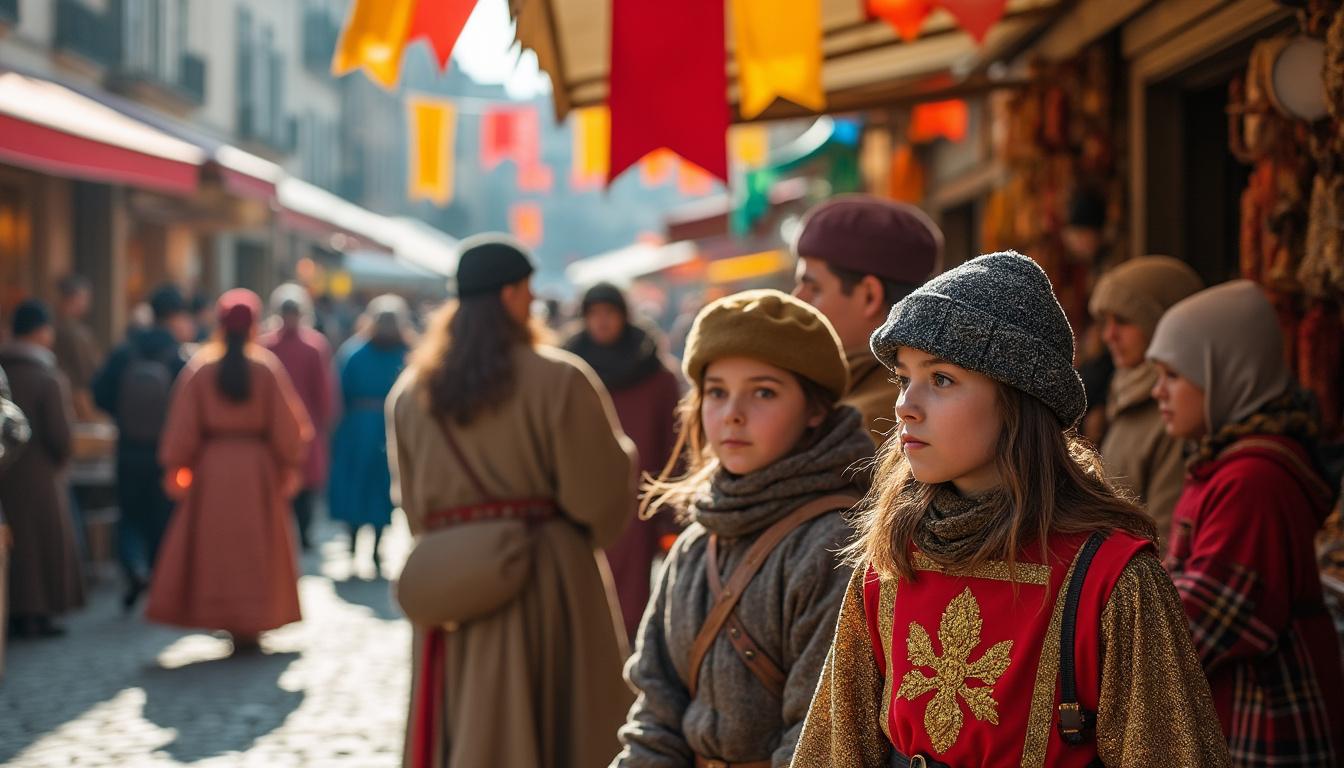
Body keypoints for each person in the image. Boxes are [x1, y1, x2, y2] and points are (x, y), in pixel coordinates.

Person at [792, 251, 1230, 767]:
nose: (905, 404)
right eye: (904, 378)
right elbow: (832, 752)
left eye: (942, 379)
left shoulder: (1114, 582)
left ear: (1017, 400)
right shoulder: (889, 563)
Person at [388, 234, 635, 768]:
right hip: (549, 581)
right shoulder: (560, 379)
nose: (533, 301)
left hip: (456, 587)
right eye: (527, 290)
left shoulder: (411, 394)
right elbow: (597, 496)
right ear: (510, 295)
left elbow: (414, 510)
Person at [612, 290, 873, 768]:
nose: (732, 413)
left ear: (815, 409)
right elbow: (656, 716)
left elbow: (817, 740)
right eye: (716, 391)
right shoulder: (696, 543)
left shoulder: (834, 544)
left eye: (764, 392)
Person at [1148, 280, 1344, 765]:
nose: (1158, 393)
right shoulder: (1229, 464)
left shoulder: (1252, 480)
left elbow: (1205, 621)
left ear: (1224, 373)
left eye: (1174, 375)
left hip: (1265, 722)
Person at [144, 289, 312, 652]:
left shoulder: (202, 368)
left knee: (216, 546)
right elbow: (289, 430)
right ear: (253, 325)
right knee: (254, 547)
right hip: (257, 472)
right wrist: (287, 466)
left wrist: (177, 467)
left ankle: (221, 613)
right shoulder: (264, 368)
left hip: (213, 472)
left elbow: (181, 430)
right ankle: (251, 620)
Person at [562, 282, 682, 640]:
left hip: (636, 501)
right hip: (579, 499)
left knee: (629, 604)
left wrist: (669, 514)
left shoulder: (655, 373)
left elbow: (673, 444)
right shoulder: (568, 369)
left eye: (609, 313)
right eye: (594, 314)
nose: (602, 322)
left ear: (623, 316)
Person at [792, 195, 943, 444]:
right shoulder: (925, 392)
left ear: (870, 296)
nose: (797, 301)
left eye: (814, 288)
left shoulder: (865, 427)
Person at [1088, 256, 1203, 553]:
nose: (1109, 335)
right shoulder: (1125, 395)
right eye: (1105, 322)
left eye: (1123, 321)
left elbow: (1164, 536)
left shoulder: (1177, 414)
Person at [92, 285, 195, 610]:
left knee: (129, 516)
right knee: (161, 518)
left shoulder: (126, 351)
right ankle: (158, 580)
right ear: (177, 317)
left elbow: (100, 393)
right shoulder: (179, 358)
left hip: (128, 449)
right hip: (165, 452)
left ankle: (134, 568)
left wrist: (123, 416)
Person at [0, 301, 85, 638]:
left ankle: (14, 612)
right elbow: (61, 435)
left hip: (6, 474)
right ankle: (38, 613)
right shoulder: (46, 374)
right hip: (40, 474)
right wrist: (63, 459)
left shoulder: (5, 369)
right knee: (40, 545)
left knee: (16, 545)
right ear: (40, 331)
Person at [328, 294, 413, 573]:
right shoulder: (355, 352)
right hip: (361, 428)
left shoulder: (406, 353)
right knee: (358, 485)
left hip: (385, 428)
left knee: (381, 489)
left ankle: (375, 547)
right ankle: (355, 543)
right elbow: (339, 391)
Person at [259, 284, 335, 552]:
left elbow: (322, 389)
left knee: (296, 483)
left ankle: (298, 533)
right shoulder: (303, 345)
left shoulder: (307, 346)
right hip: (296, 422)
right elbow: (324, 390)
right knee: (294, 481)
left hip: (292, 423)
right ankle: (296, 533)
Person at [51, 274, 102, 422]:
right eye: (85, 298)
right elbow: (88, 371)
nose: (87, 303)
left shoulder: (54, 326)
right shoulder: (75, 333)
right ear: (75, 298)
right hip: (77, 399)